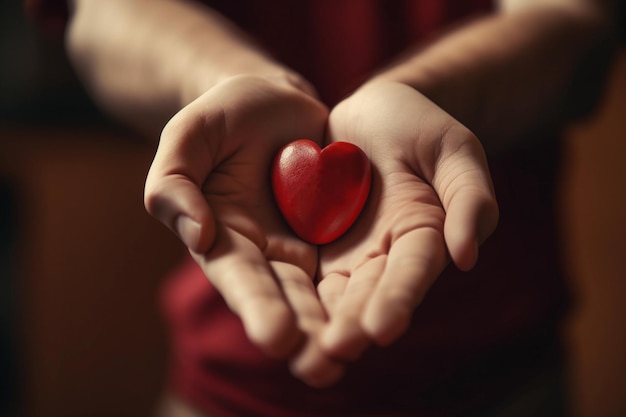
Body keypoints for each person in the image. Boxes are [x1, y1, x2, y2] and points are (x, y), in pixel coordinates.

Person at [26, 0, 621, 416]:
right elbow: (100, 10)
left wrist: (425, 93)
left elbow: (578, 26)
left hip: (503, 378)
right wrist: (223, 79)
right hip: (224, 385)